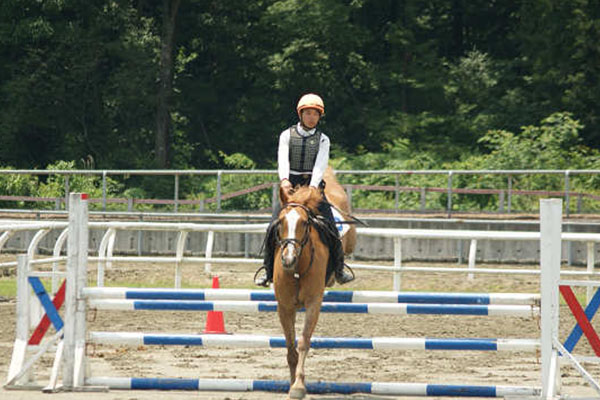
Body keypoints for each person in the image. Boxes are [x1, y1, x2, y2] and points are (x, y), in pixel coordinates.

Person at [254, 93, 355, 287]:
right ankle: (268, 271)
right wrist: (284, 180)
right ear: (301, 114)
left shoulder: (323, 139)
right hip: (291, 188)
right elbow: (283, 159)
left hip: (313, 188)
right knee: (272, 227)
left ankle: (339, 269)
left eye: (315, 114)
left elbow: (320, 165)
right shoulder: (286, 135)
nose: (311, 117)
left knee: (332, 228)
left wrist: (314, 187)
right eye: (308, 113)